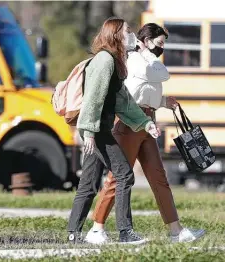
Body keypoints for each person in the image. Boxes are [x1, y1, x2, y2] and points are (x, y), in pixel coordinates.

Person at [86, 23, 205, 244]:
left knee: (159, 178)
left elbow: (144, 89)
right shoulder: (134, 60)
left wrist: (162, 101)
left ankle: (176, 231)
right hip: (130, 124)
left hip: (148, 122)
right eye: (159, 43)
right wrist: (143, 53)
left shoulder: (147, 61)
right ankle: (96, 228)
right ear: (146, 41)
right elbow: (156, 76)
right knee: (117, 178)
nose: (162, 49)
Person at [67, 17, 161, 245]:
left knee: (88, 183)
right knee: (125, 174)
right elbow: (93, 98)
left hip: (97, 129)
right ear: (116, 34)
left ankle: (73, 234)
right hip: (96, 130)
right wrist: (88, 131)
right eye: (127, 31)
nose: (132, 35)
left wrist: (146, 123)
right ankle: (125, 232)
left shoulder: (115, 62)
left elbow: (124, 101)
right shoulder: (104, 61)